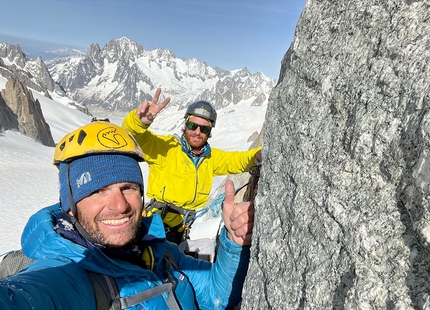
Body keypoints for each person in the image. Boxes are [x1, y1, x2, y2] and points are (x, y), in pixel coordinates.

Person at [0, 119, 254, 310]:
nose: (119, 205)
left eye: (128, 188)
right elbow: (25, 298)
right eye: (98, 190)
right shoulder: (67, 273)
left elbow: (215, 296)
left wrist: (233, 244)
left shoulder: (161, 253)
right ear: (70, 204)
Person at [122, 88, 261, 244]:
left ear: (210, 132)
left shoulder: (210, 158)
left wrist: (258, 155)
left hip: (184, 228)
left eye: (204, 128)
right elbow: (131, 135)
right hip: (157, 225)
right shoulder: (165, 149)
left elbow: (238, 160)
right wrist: (139, 121)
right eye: (193, 126)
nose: (197, 132)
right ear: (185, 125)